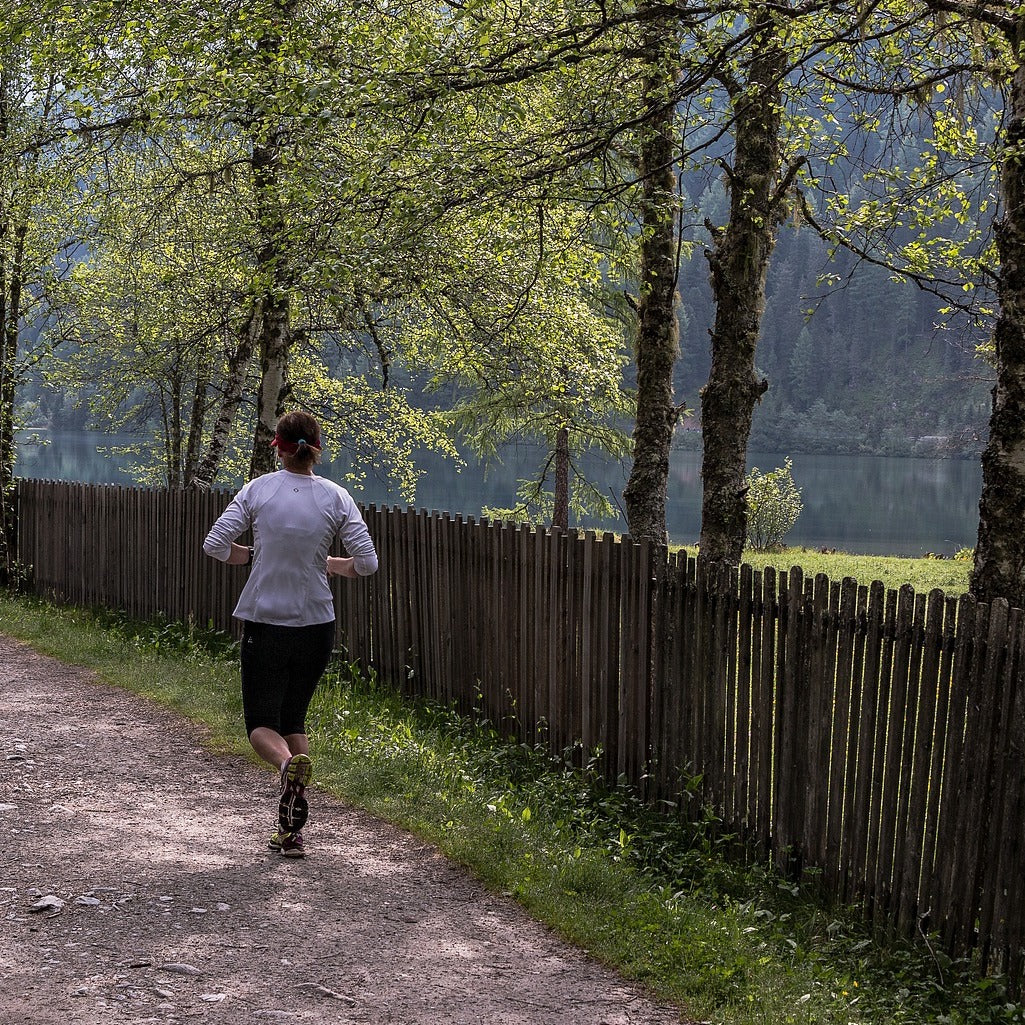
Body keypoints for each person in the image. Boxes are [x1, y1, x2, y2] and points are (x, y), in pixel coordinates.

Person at [203, 410, 378, 858]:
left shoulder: (259, 490)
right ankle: (291, 832)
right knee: (294, 718)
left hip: (265, 622)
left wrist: (253, 557)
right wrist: (332, 565)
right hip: (316, 625)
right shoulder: (337, 497)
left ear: (277, 446)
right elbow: (367, 563)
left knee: (262, 723)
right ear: (317, 448)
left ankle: (285, 765)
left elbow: (215, 545)